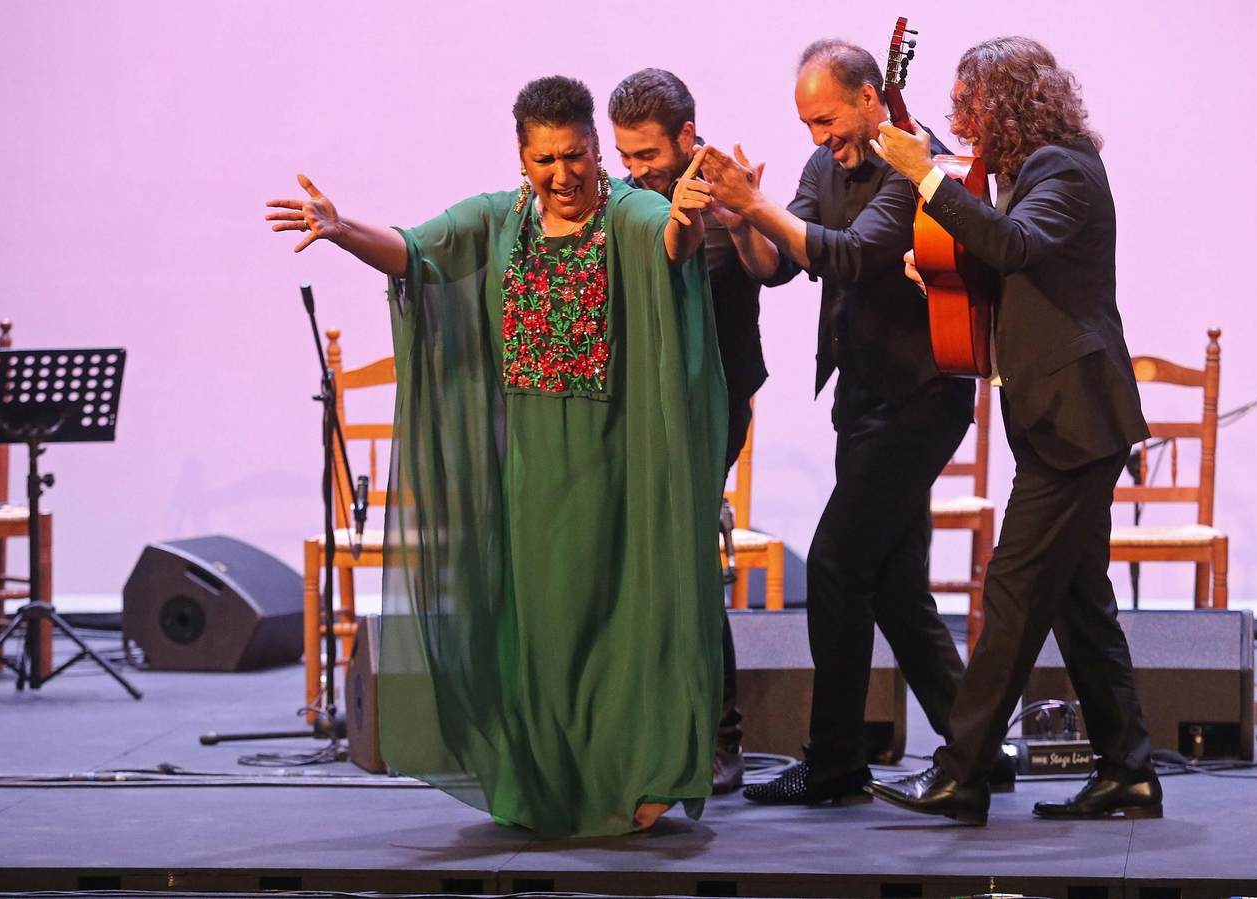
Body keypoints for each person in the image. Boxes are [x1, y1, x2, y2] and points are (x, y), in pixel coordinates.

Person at [265, 75, 729, 838]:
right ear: (523, 155)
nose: (563, 174)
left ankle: (634, 776)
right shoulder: (498, 220)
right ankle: (544, 780)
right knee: (540, 634)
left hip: (616, 466)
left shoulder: (629, 211)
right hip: (532, 475)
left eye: (576, 155)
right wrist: (343, 228)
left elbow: (668, 240)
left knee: (616, 625)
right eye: (545, 159)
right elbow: (415, 253)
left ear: (592, 147)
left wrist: (683, 221)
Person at [867, 36, 1161, 825]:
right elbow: (1015, 266)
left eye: (968, 107)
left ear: (1003, 102)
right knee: (1077, 601)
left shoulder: (1063, 167)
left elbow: (1020, 244)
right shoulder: (1033, 172)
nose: (961, 124)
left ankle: (961, 772)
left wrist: (922, 175)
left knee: (1014, 587)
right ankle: (1129, 771)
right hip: (1055, 412)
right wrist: (937, 266)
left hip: (1076, 419)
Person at [698, 39, 977, 805]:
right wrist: (739, 217)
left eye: (826, 118)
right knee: (892, 586)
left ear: (868, 97)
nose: (820, 137)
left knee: (831, 565)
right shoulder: (822, 168)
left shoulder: (914, 165)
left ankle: (835, 763)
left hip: (924, 398)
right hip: (862, 399)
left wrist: (756, 209)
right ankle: (974, 746)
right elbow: (777, 264)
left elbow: (850, 256)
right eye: (808, 124)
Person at [607, 67, 767, 796]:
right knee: (630, 564)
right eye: (625, 156)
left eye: (648, 155)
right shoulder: (621, 198)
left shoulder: (720, 185)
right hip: (635, 404)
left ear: (686, 136)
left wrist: (740, 214)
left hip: (711, 403)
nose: (635, 169)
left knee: (687, 561)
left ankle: (719, 736)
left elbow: (773, 267)